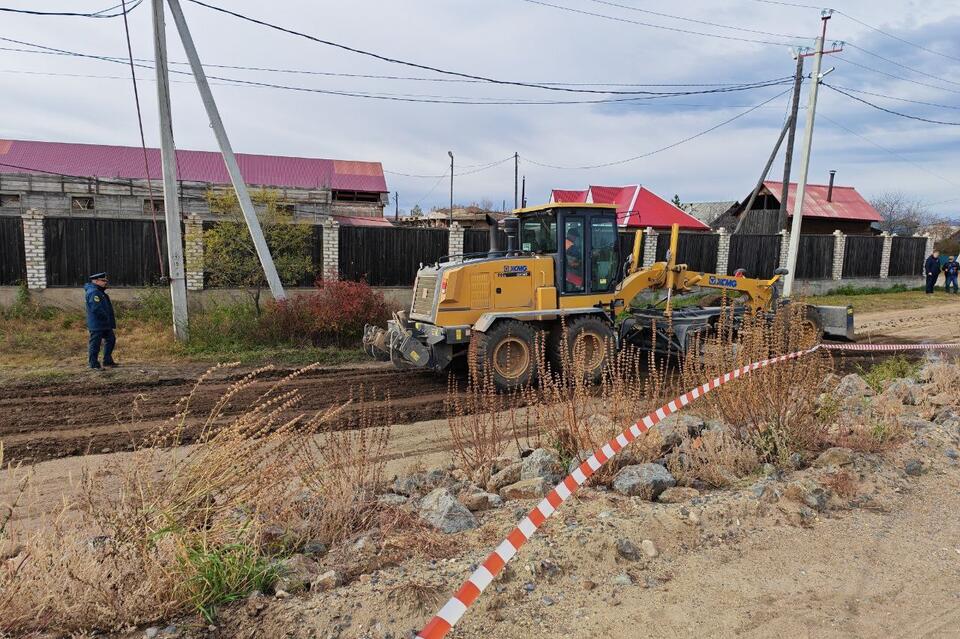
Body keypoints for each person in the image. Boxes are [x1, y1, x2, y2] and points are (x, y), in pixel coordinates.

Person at [84, 272, 117, 369]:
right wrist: (105, 317)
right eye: (103, 281)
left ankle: (107, 360)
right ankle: (93, 364)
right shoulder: (94, 292)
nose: (105, 282)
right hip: (97, 323)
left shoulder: (99, 291)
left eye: (106, 280)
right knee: (95, 344)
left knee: (111, 339)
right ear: (96, 281)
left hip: (104, 323)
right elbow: (96, 308)